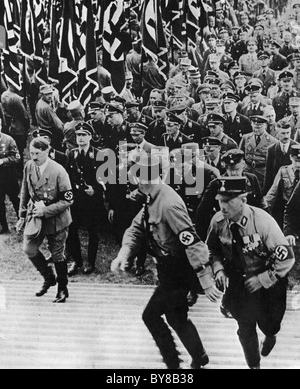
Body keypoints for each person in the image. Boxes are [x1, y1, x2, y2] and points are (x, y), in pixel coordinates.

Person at [111, 153, 222, 370]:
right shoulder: (152, 197)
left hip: (178, 272)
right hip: (167, 269)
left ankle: (173, 365)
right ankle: (199, 356)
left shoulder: (168, 204)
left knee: (150, 316)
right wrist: (124, 253)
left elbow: (192, 242)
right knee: (176, 317)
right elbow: (137, 228)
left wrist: (205, 280)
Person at [206, 176, 295, 369]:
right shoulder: (218, 221)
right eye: (220, 201)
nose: (223, 206)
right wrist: (219, 269)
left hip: (269, 282)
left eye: (228, 201)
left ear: (243, 200)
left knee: (270, 324)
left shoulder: (263, 222)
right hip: (240, 283)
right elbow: (212, 249)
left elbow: (286, 258)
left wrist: (262, 279)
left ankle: (270, 336)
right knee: (245, 328)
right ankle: (254, 365)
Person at [16, 138, 73, 303]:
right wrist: (21, 215)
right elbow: (25, 190)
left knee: (57, 255)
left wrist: (46, 211)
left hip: (56, 220)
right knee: (29, 249)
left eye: (37, 154)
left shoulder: (59, 171)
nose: (34, 157)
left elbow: (68, 200)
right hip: (35, 218)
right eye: (31, 153)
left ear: (47, 151)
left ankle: (62, 289)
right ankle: (49, 277)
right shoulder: (29, 166)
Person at [66, 122, 106, 276]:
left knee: (92, 231)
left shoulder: (99, 155)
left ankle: (90, 261)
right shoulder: (72, 154)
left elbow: (105, 179)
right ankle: (76, 260)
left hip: (92, 200)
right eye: (78, 135)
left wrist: (95, 189)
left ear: (90, 137)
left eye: (84, 135)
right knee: (72, 229)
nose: (80, 138)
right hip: (76, 199)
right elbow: (67, 177)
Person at [265, 144, 300, 228]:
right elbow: (272, 193)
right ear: (291, 157)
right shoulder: (283, 171)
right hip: (287, 212)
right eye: (296, 161)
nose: (298, 164)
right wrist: (264, 208)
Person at [240, 115, 279, 190]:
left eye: (258, 127)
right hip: (247, 171)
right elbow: (240, 154)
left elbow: (273, 163)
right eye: (254, 127)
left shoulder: (273, 141)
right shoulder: (246, 138)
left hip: (262, 173)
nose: (256, 130)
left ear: (265, 126)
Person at [264, 120, 298, 195]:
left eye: (288, 133)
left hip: (293, 192)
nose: (286, 136)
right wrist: (266, 194)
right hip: (277, 192)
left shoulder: (297, 148)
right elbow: (268, 174)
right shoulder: (271, 149)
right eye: (283, 133)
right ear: (277, 133)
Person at [0, 117, 20, 234]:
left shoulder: (8, 140)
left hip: (8, 175)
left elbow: (17, 158)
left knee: (15, 199)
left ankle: (21, 221)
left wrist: (3, 161)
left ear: (1, 126)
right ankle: (3, 225)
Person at [35, 84, 64, 150]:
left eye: (50, 93)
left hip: (43, 130)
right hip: (51, 132)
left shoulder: (39, 102)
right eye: (47, 94)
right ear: (42, 95)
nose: (50, 96)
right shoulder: (46, 108)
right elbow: (59, 125)